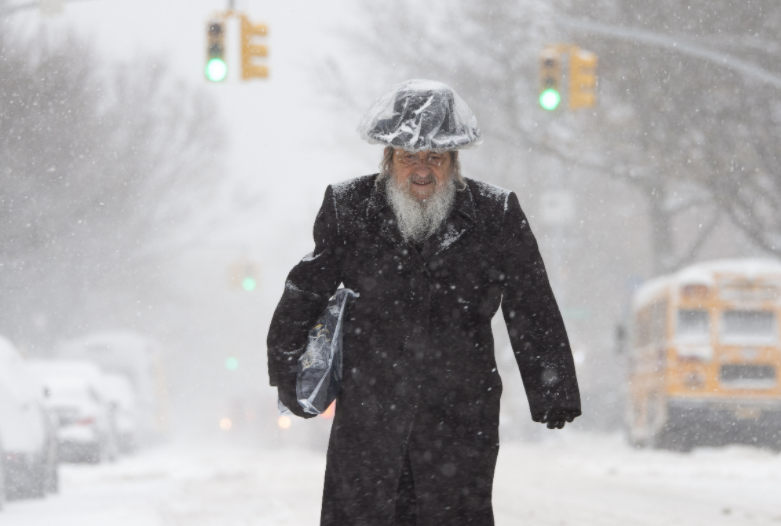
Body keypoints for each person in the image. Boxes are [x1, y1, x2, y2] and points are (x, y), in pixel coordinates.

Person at [267, 79, 581, 526]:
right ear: (387, 158)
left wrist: (553, 388)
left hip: (459, 415)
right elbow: (306, 289)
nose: (421, 169)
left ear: (453, 162)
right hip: (371, 412)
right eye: (408, 156)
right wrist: (286, 368)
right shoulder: (347, 207)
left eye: (435, 157)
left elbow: (531, 301)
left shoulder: (497, 213)